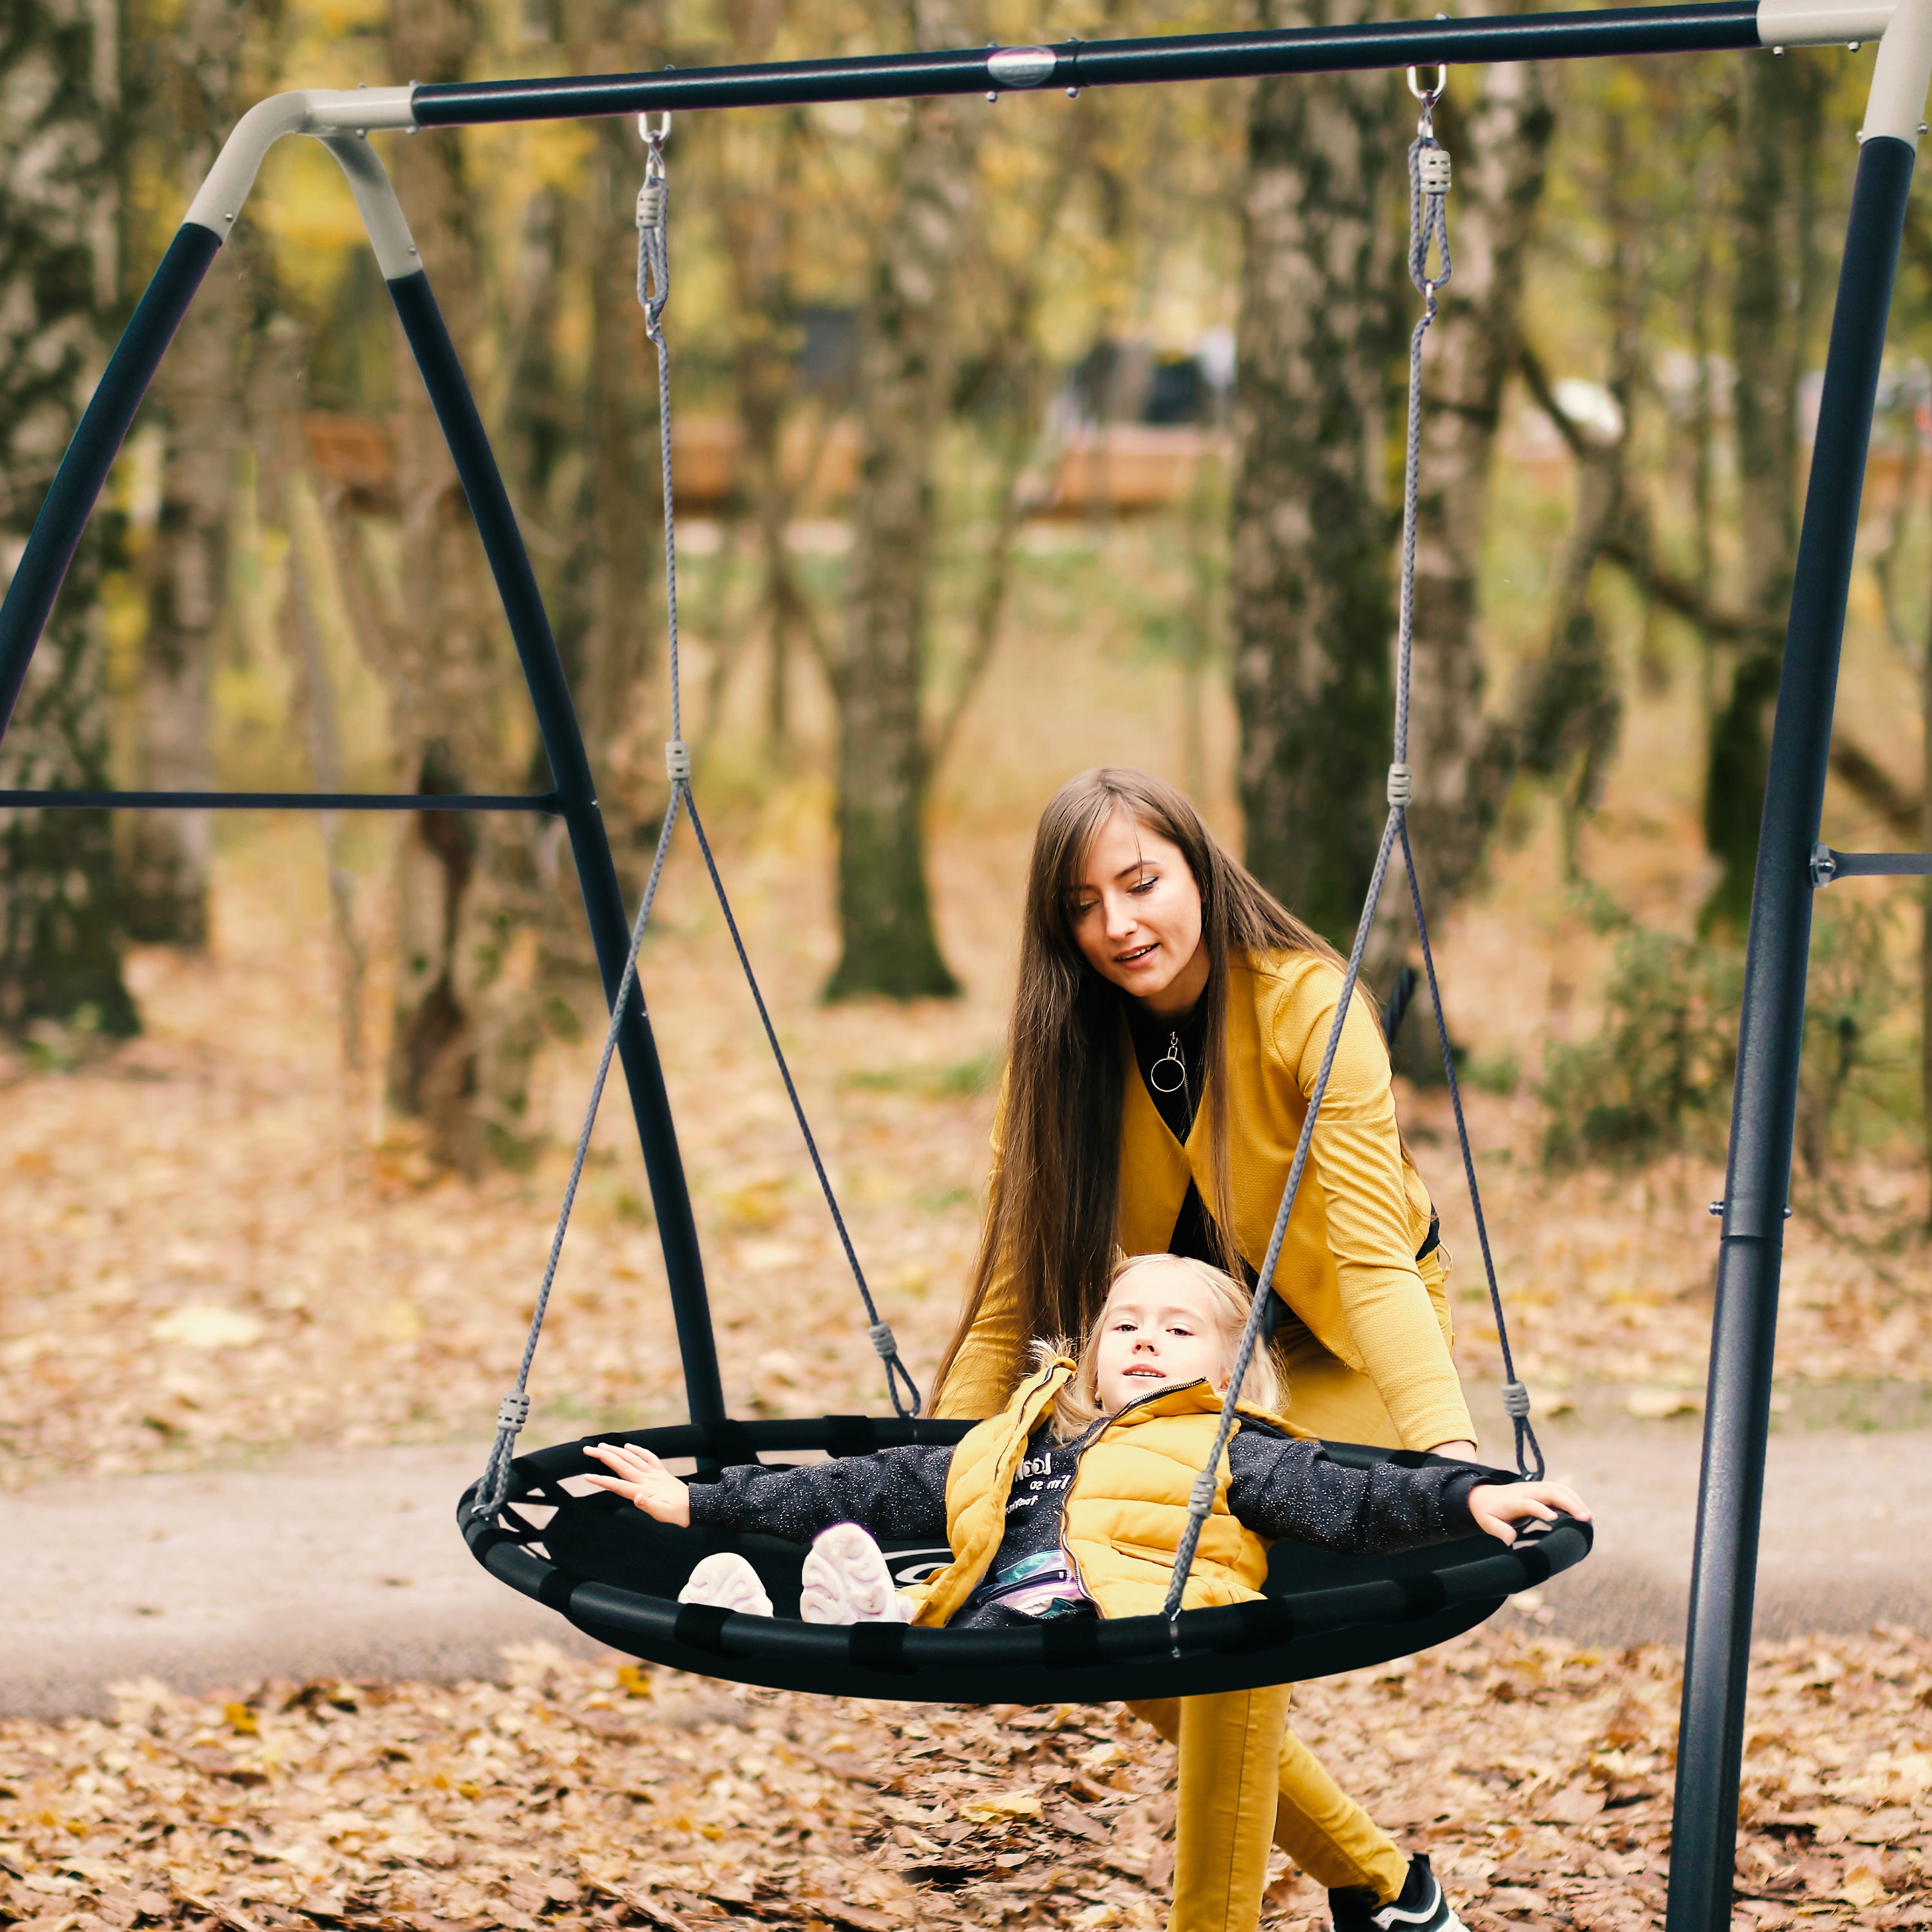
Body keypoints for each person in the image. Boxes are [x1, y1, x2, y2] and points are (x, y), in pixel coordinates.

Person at [583, 1253, 1587, 1932]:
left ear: (1233, 1372)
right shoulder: (1016, 1444)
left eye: (1181, 1330)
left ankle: (1390, 1898)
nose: (1145, 1340)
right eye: (1126, 1326)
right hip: (1015, 1617)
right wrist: (701, 1502)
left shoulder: (1232, 1448)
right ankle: (837, 1612)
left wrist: (1468, 1497)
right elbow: (865, 1482)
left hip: (1183, 1628)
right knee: (894, 1552)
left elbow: (1354, 1502)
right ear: (1095, 1359)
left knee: (1235, 1711)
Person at [930, 766, 1488, 1930]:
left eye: (1142, 883)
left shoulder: (1307, 1007)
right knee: (1126, 1571)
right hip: (1175, 1363)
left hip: (1336, 1345)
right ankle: (1388, 1889)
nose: (1119, 925)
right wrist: (949, 1470)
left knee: (1207, 1553)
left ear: (1201, 871)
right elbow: (1006, 1290)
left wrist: (1454, 1457)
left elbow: (1379, 1269)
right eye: (1083, 904)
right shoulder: (1061, 1044)